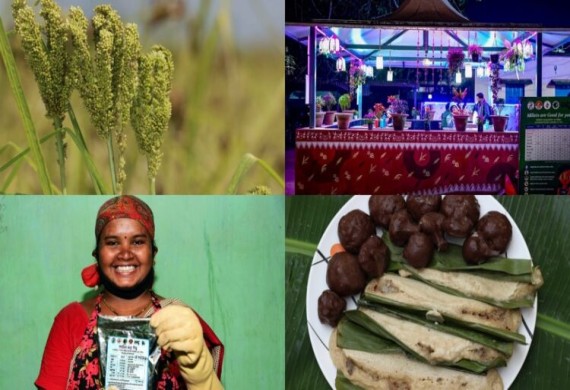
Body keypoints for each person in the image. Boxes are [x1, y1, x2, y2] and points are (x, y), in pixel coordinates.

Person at [35, 195, 224, 390]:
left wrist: (201, 379)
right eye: (112, 243)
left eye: (137, 242)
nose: (125, 254)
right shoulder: (71, 320)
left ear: (154, 254)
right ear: (97, 255)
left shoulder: (177, 320)